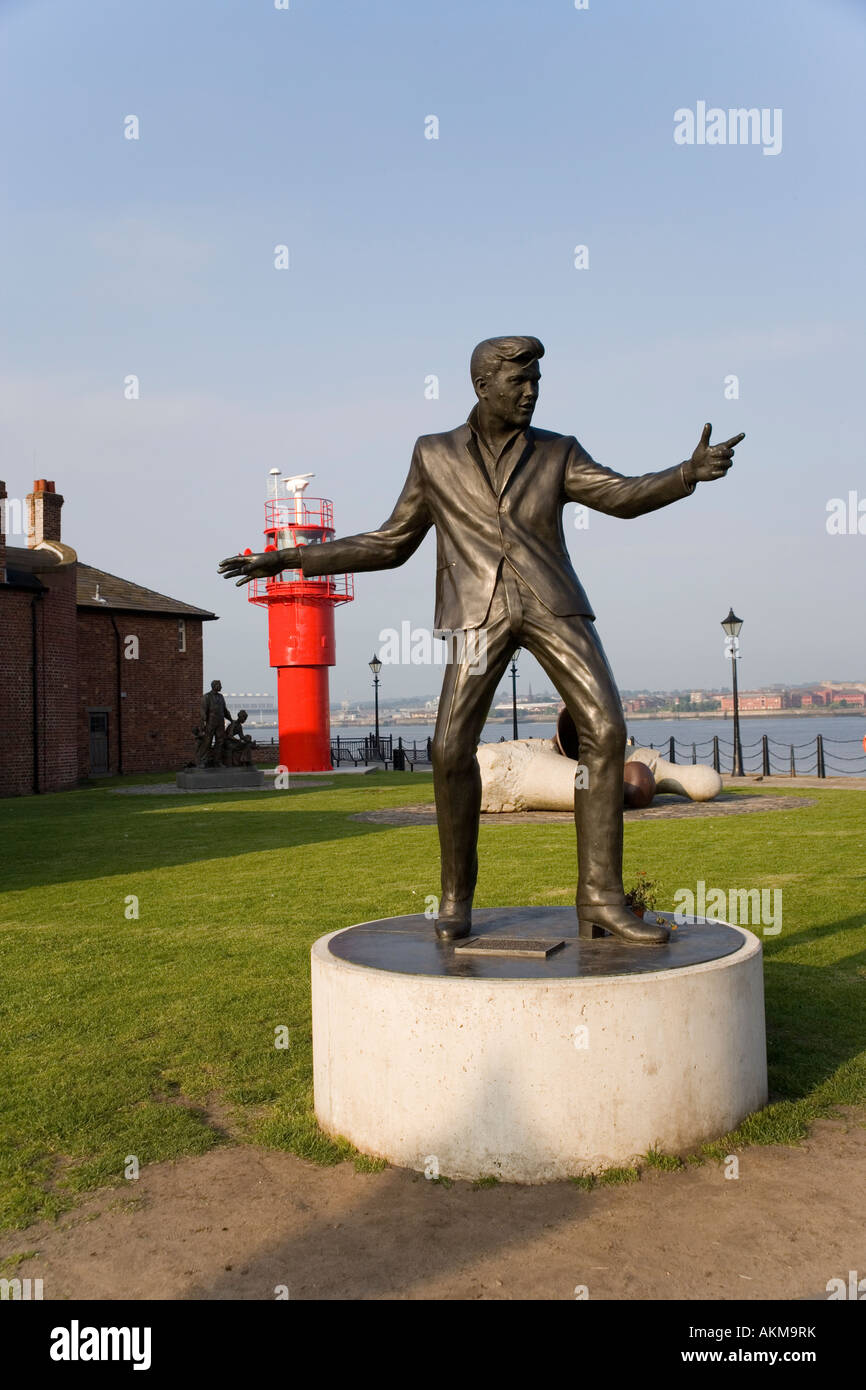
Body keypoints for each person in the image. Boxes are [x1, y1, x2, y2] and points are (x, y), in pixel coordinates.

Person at [220, 337, 743, 944]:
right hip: (476, 615)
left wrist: (687, 473)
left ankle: (600, 899)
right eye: (519, 383)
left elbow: (619, 495)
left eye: (537, 382)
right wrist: (292, 558)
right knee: (448, 749)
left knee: (606, 729)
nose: (531, 393)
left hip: (553, 604)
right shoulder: (434, 455)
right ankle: (455, 897)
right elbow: (392, 542)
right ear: (483, 386)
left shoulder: (556, 451)